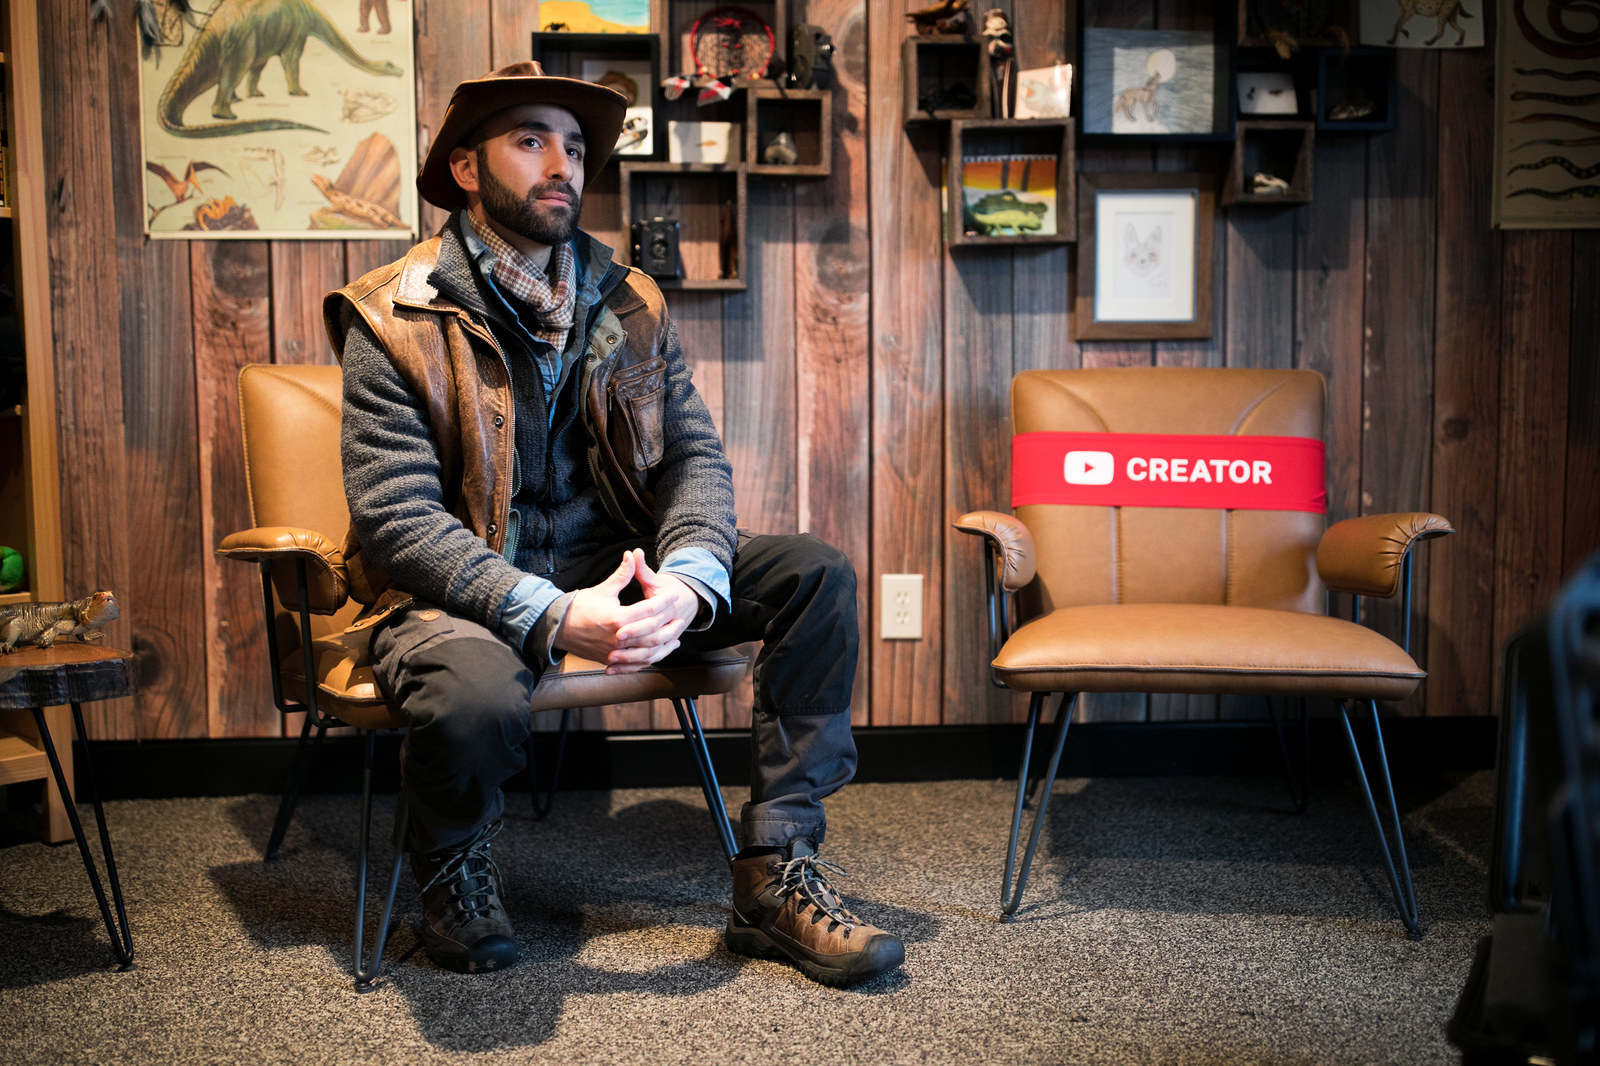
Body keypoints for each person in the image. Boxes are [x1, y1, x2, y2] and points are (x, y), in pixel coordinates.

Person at [323, 62, 904, 988]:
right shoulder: (391, 314)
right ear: (466, 169)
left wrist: (689, 574)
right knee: (468, 696)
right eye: (532, 140)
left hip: (615, 557)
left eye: (577, 147)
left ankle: (776, 870)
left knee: (816, 574)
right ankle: (449, 865)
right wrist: (549, 615)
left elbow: (691, 459)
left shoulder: (629, 302)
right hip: (468, 583)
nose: (564, 164)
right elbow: (396, 519)